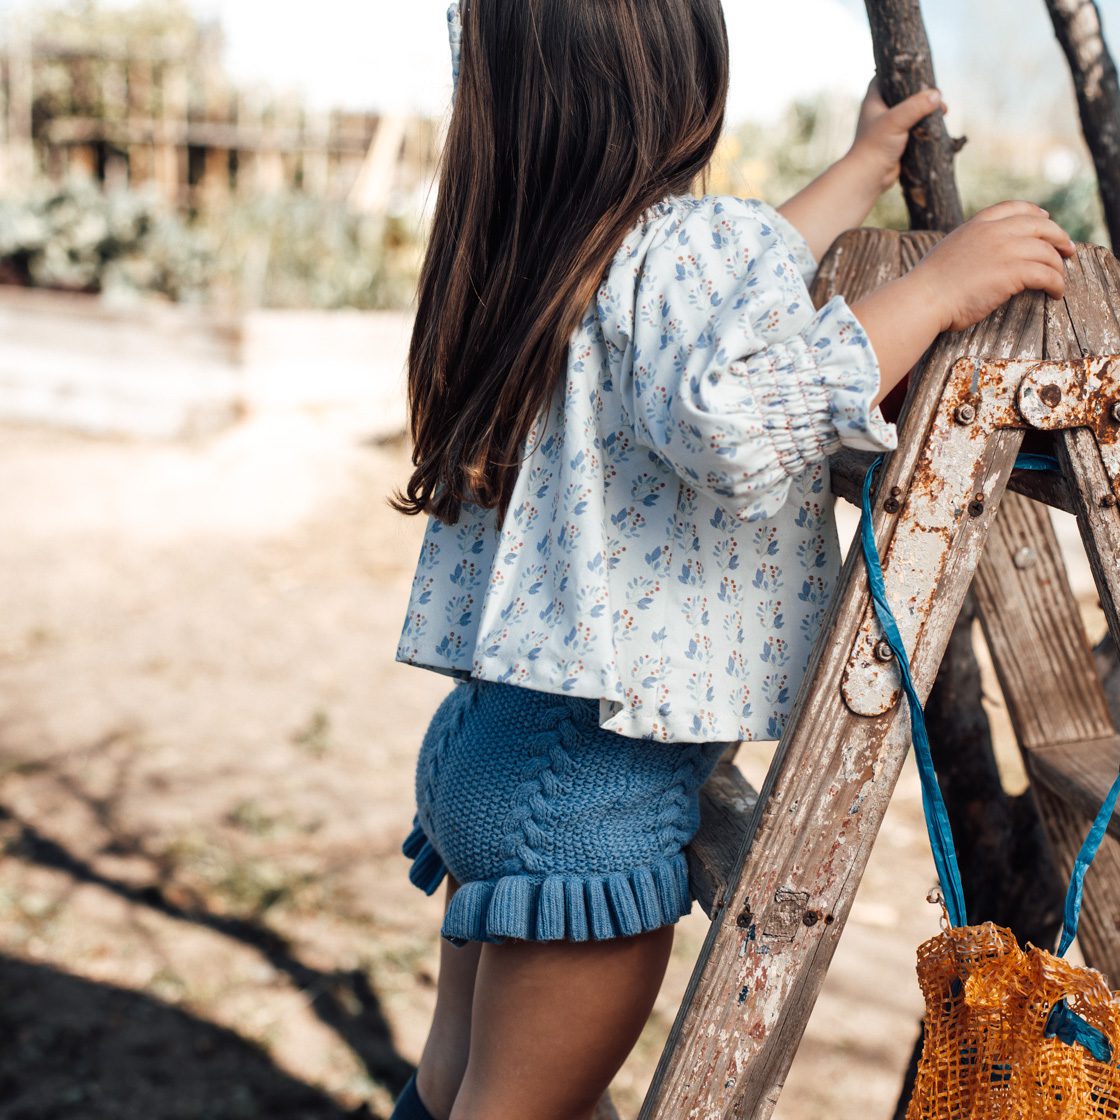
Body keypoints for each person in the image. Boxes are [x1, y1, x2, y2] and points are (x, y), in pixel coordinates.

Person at [388, 3, 1075, 1118]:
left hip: (499, 749)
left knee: (455, 1088)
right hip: (588, 803)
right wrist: (937, 289)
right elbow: (739, 413)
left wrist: (860, 166)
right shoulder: (675, 253)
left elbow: (734, 283)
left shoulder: (552, 252)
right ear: (678, 66)